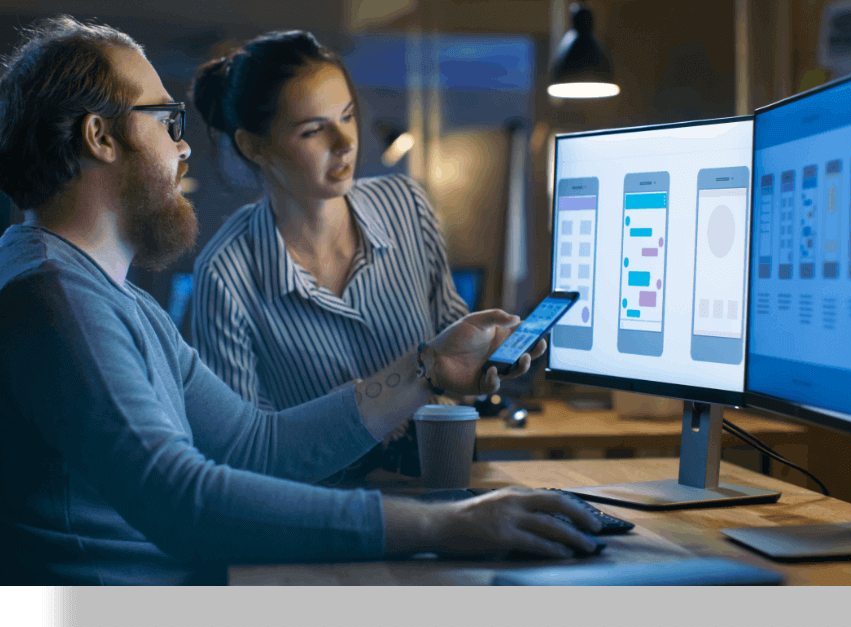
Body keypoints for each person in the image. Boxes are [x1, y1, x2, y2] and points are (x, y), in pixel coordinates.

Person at [0, 16, 603, 585]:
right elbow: (184, 504)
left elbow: (255, 447)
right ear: (100, 136)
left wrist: (429, 369)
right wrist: (448, 524)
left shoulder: (111, 298)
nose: (182, 148)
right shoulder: (55, 301)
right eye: (165, 120)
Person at [189, 31, 468, 483]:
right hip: (323, 517)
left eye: (348, 116)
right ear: (253, 146)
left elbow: (451, 341)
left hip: (441, 486)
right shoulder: (226, 275)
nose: (345, 143)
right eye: (314, 129)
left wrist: (486, 359)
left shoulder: (407, 205)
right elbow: (240, 457)